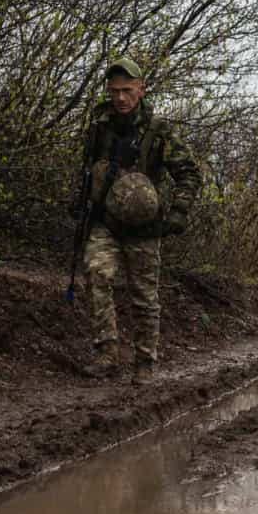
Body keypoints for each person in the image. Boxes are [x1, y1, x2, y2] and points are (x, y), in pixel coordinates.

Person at [74, 58, 203, 382]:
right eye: (114, 90)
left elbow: (188, 172)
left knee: (144, 296)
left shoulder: (159, 130)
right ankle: (107, 352)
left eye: (126, 91)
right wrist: (79, 201)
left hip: (144, 227)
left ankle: (145, 362)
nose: (120, 98)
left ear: (141, 90)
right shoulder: (99, 124)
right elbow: (88, 167)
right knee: (95, 274)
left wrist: (179, 210)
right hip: (105, 221)